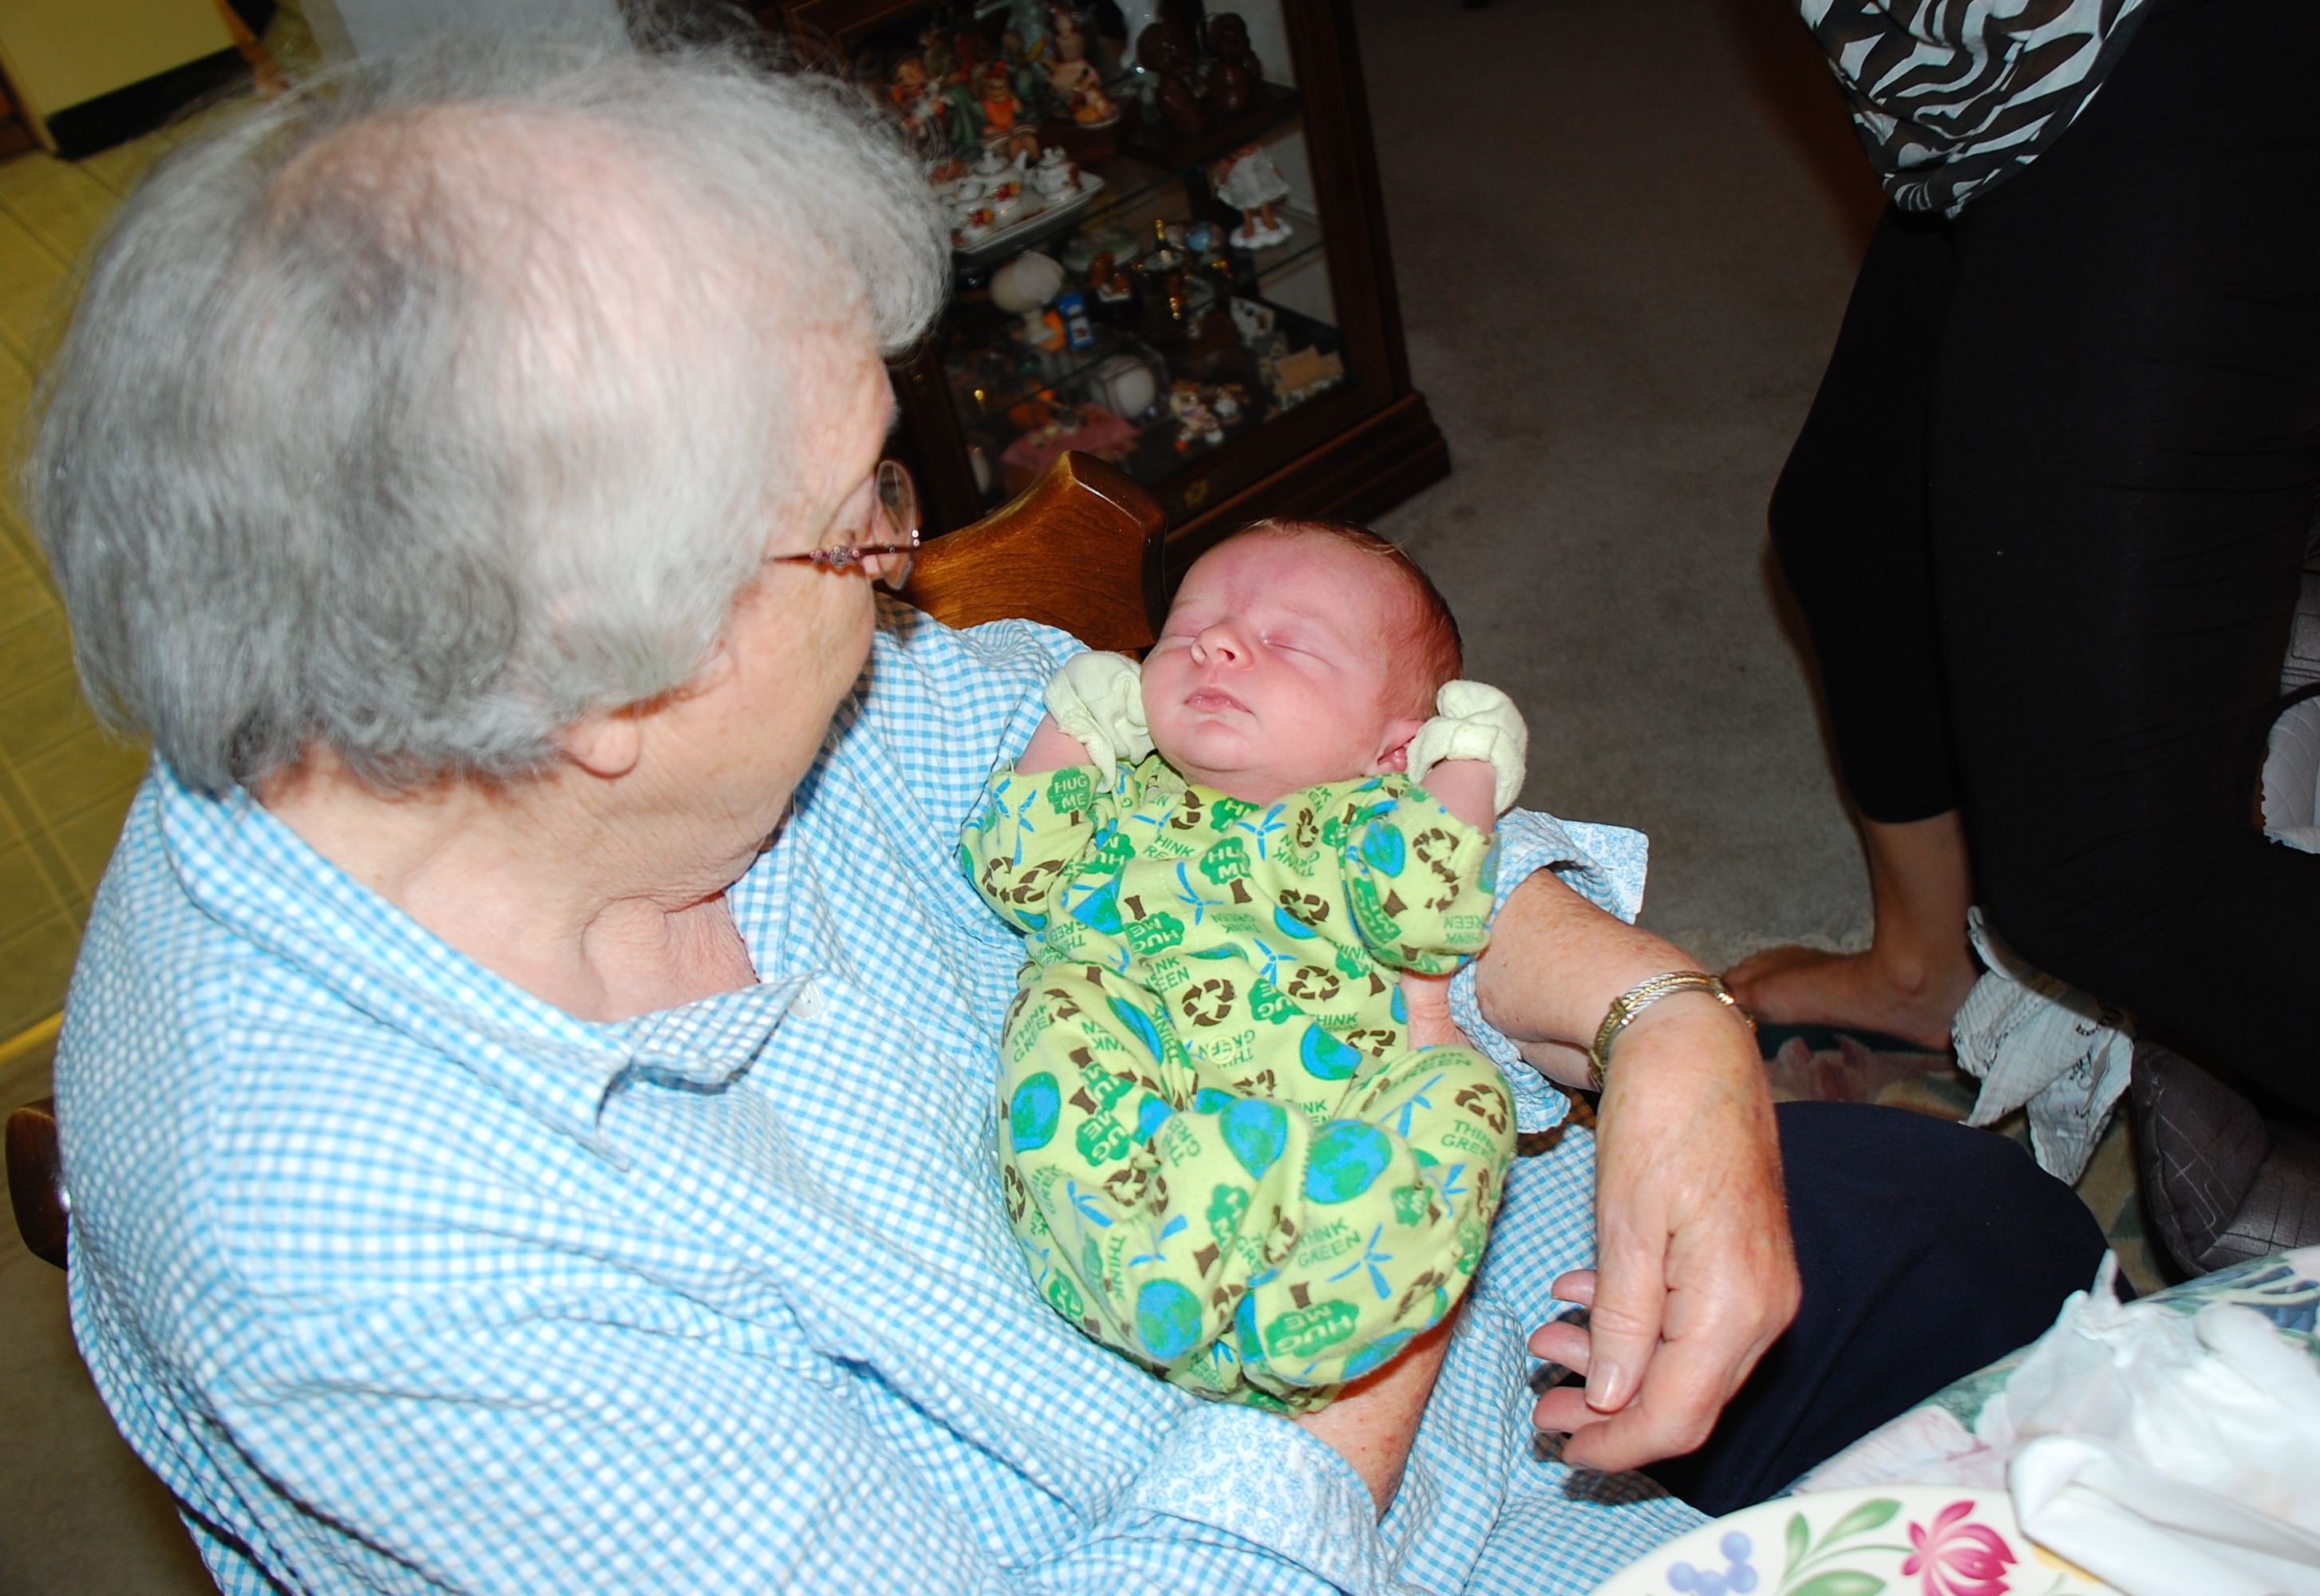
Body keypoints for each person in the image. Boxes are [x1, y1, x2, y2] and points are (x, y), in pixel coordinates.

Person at [34, 40, 2105, 1594]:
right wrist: (1396, 1255)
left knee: (2001, 1242)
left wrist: (1659, 1022)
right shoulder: (377, 1272)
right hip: (1359, 1495)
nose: (909, 568)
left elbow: (1230, 802)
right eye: (862, 523)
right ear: (595, 688)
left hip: (1479, 1279)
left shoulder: (616, 701)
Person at [1727, 0, 2320, 1208]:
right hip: (2000, 81)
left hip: (2194, 38)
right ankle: (1923, 973)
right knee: (1858, 519)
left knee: (2112, 877)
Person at [967, 520, 1524, 1411]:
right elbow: (1015, 872)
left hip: (1323, 1144)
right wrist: (1078, 729)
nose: (1215, 643)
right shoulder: (1130, 798)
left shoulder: (1368, 824)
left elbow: (1428, 917)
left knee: (1467, 1090)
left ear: (1393, 748)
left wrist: (1465, 766)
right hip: (1139, 1118)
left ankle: (1322, 1301)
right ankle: (1149, 1261)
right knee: (1061, 1009)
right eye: (1186, 629)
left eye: (1289, 643)